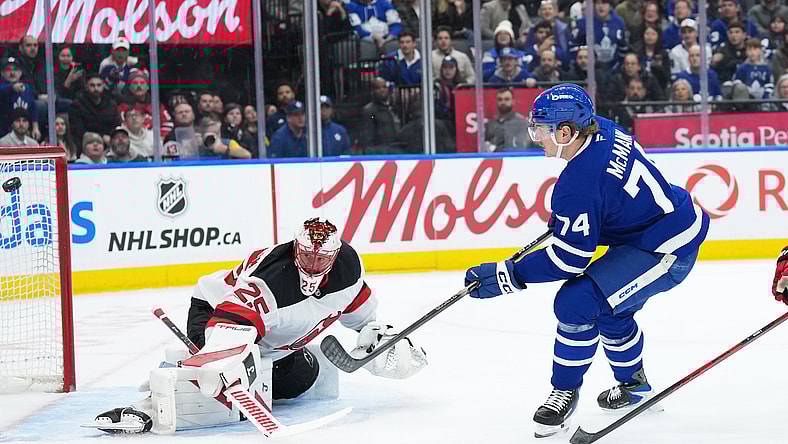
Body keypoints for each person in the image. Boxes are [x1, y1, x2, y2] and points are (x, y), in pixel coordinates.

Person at [464, 84, 709, 438]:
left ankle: (564, 393)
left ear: (565, 133)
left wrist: (510, 274)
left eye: (541, 129)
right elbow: (609, 196)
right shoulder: (604, 128)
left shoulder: (577, 185)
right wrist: (576, 220)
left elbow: (570, 260)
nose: (536, 137)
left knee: (577, 302)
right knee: (610, 309)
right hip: (661, 227)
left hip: (666, 249)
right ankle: (635, 386)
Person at [88, 217, 428, 434]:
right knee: (214, 394)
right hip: (217, 312)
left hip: (272, 337)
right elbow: (227, 325)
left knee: (300, 378)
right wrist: (220, 363)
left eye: (322, 258)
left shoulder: (348, 268)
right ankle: (147, 408)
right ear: (295, 248)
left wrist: (381, 342)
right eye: (307, 255)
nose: (313, 264)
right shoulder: (269, 282)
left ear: (335, 255)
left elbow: (363, 318)